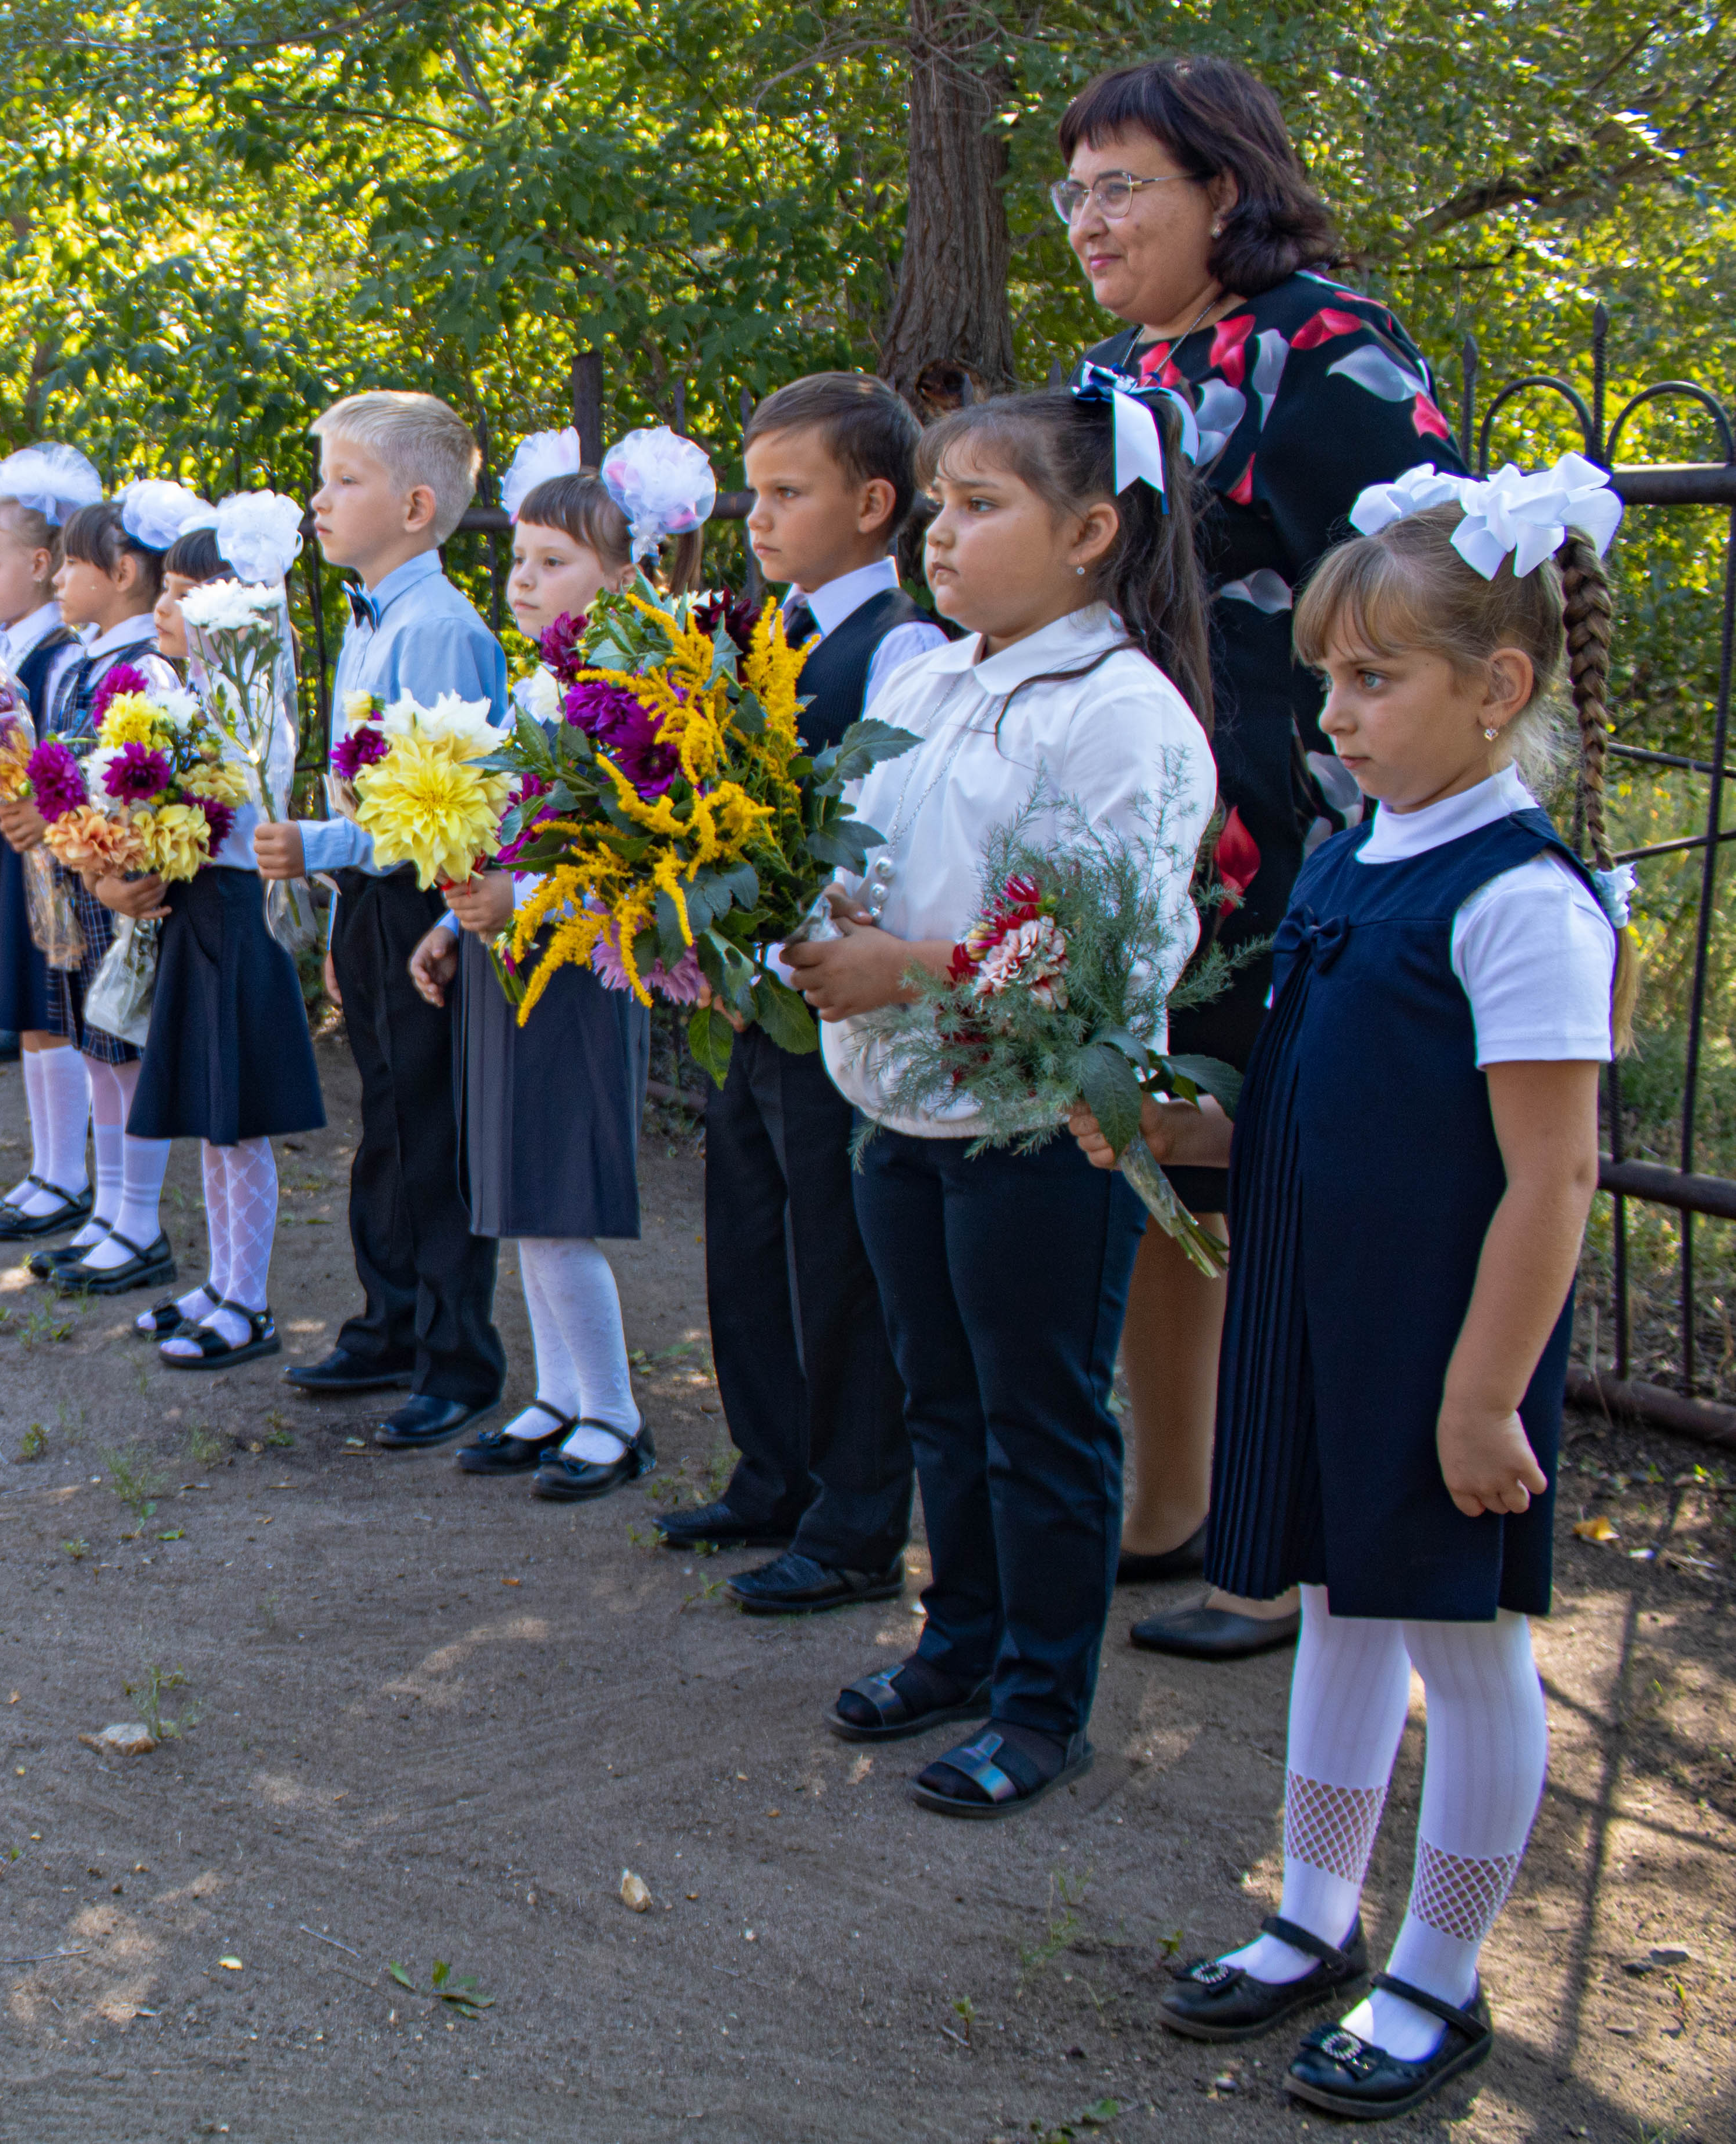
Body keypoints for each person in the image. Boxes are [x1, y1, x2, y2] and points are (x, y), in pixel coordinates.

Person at [1123, 471, 1621, 2117]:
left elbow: (1546, 1179)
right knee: (1332, 1609)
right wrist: (1191, 1126)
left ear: (1498, 688)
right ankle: (1317, 1912)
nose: (1331, 714)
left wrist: (1481, 1394)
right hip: (1317, 1317)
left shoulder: (1521, 900)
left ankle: (1438, 1971)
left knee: (1462, 1643)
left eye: (1374, 679)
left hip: (1439, 1337)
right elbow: (1318, 1102)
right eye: (1326, 679)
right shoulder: (1351, 861)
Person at [1057, 53, 1473, 1663]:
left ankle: (1275, 1558)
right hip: (1144, 846)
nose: (1088, 219)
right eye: (1073, 193)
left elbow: (1415, 600)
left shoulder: (1323, 348)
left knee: (1280, 1176)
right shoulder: (1107, 375)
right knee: (1163, 1165)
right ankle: (1171, 1506)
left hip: (1304, 852)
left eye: (1121, 187)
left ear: (1220, 191)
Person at [785, 384, 1215, 1819]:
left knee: (1039, 1417)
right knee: (943, 1398)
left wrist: (895, 966)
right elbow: (874, 843)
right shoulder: (926, 678)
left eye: (983, 507)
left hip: (1034, 1126)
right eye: (938, 504)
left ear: (1091, 532)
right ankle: (957, 1640)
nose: (941, 535)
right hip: (899, 1106)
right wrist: (829, 913)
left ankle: (1043, 1700)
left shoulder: (1121, 717)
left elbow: (1094, 949)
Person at [659, 373, 946, 1601]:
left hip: (834, 990)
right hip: (751, 994)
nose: (759, 517)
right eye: (753, 491)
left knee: (838, 1255)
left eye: (789, 492)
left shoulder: (905, 645)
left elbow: (881, 828)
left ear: (875, 503)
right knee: (751, 1232)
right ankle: (770, 1468)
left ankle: (854, 1517)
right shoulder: (762, 632)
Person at [427, 434, 707, 1496]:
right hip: (511, 967)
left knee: (555, 1197)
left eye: (555, 561)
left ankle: (615, 1412)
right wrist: (457, 923)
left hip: (581, 971)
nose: (527, 581)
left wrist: (524, 902)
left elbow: (636, 851)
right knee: (512, 1193)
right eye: (520, 560)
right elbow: (519, 832)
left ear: (623, 574)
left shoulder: (638, 687)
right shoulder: (541, 683)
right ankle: (555, 1394)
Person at [255, 391, 512, 1450]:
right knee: (385, 1122)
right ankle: (389, 1319)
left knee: (430, 1131)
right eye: (322, 478)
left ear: (414, 506)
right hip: (372, 902)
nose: (318, 499)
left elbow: (437, 809)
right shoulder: (374, 618)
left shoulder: (440, 630)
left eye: (342, 480)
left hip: (424, 902)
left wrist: (321, 846)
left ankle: (457, 1356)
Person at [116, 524, 327, 1369]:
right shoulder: (182, 693)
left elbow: (235, 814)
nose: (161, 605)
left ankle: (252, 1300)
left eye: (180, 590)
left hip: (240, 915)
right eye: (163, 586)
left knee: (239, 1125)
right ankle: (220, 1280)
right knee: (212, 1121)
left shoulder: (248, 704)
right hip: (198, 915)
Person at [20, 493, 187, 1294]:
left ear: (122, 573)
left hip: (120, 891)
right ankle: (112, 1210)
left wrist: (104, 868)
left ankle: (140, 1220)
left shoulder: (138, 669)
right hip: (84, 883)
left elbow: (136, 788)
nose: (57, 577)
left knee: (125, 1054)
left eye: (73, 564)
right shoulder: (84, 659)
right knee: (97, 1053)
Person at [0, 445, 108, 1243]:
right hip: (9, 847)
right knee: (30, 1014)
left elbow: (65, 755)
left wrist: (25, 799)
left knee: (54, 1012)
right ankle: (50, 1168)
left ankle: (68, 1175)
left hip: (48, 857)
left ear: (43, 562)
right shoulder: (5, 647)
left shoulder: (61, 654)